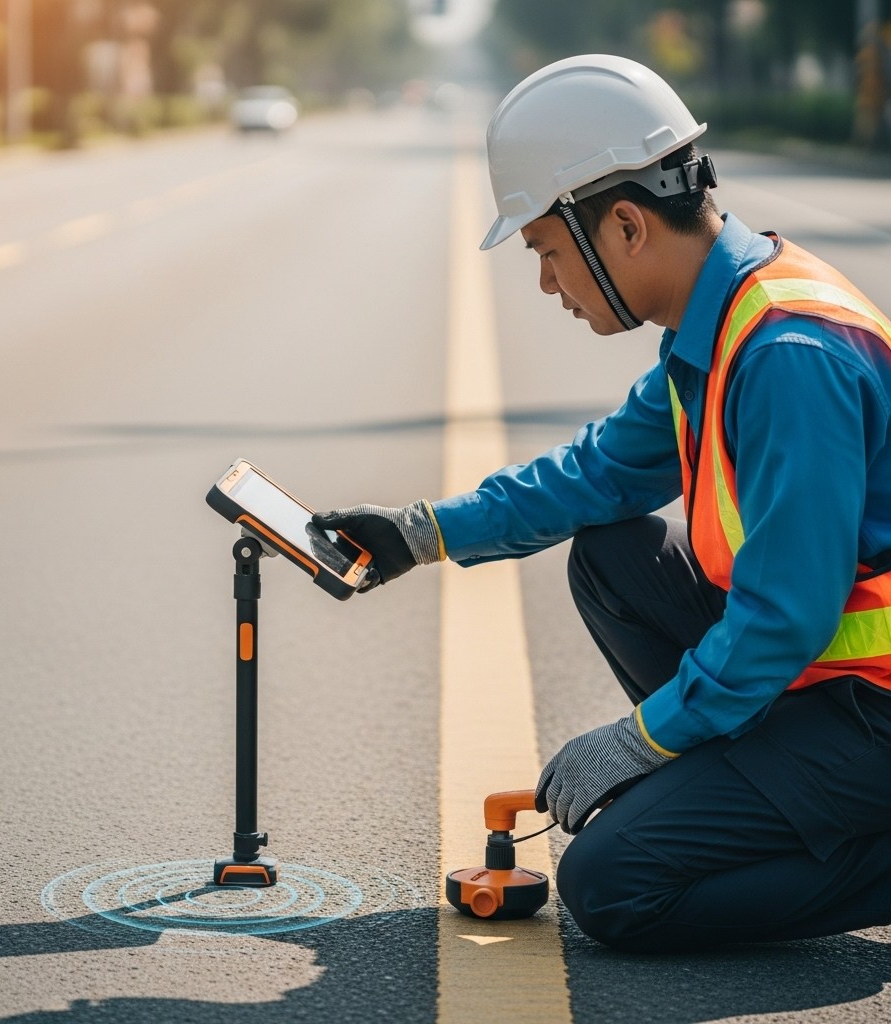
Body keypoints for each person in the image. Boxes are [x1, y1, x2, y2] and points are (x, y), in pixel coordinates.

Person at [313, 54, 891, 952]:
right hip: (820, 684)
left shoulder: (787, 355)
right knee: (613, 554)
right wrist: (421, 535)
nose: (549, 284)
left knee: (612, 885)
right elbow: (598, 475)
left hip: (871, 712)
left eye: (547, 252)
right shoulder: (721, 320)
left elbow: (785, 619)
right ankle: (746, 785)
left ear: (625, 225)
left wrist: (641, 742)